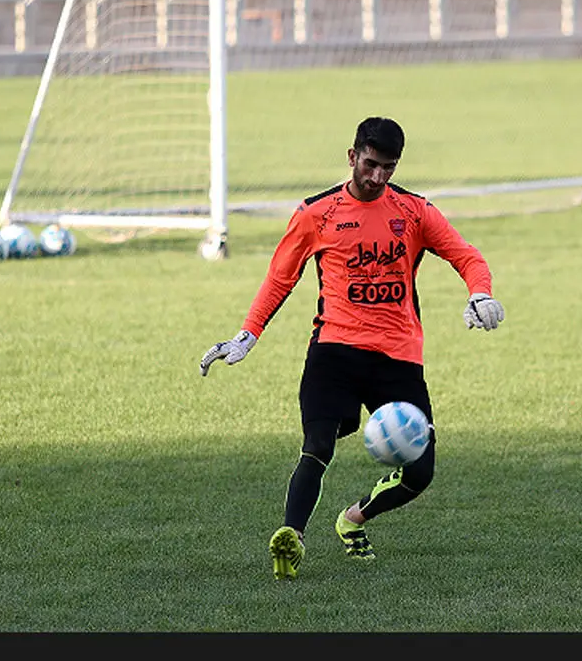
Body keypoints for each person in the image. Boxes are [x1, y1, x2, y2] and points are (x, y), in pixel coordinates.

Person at [199, 116, 505, 580]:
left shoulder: (415, 211)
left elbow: (466, 255)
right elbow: (281, 277)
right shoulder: (316, 213)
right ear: (352, 156)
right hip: (334, 350)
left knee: (420, 474)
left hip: (397, 357)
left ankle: (354, 518)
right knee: (318, 444)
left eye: (388, 167)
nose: (378, 176)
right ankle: (292, 539)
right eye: (370, 164)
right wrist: (248, 334)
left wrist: (479, 291)